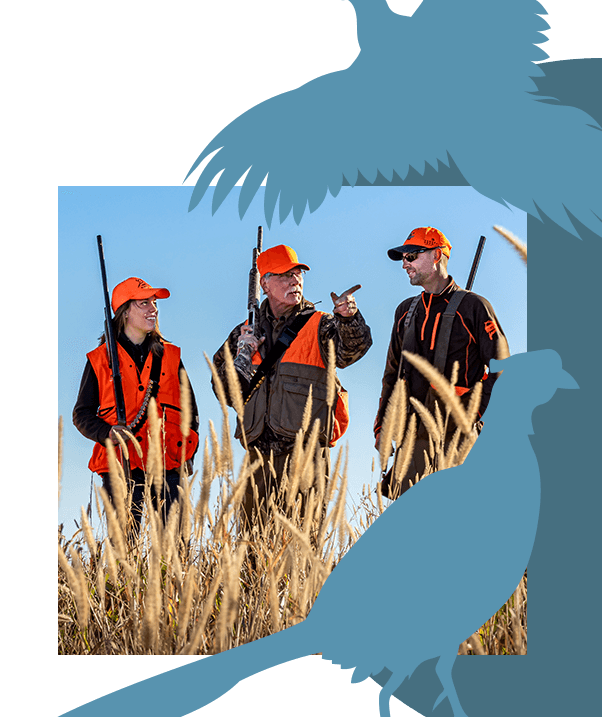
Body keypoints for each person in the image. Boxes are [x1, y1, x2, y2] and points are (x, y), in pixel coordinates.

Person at [212, 244, 372, 533]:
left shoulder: (321, 324)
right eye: (285, 275)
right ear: (265, 282)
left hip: (305, 457)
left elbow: (353, 350)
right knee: (252, 550)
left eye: (298, 274)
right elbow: (225, 392)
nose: (295, 280)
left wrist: (348, 317)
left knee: (300, 550)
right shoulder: (243, 332)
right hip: (258, 458)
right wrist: (242, 357)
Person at [374, 227, 509, 498]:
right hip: (411, 442)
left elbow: (502, 368)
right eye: (403, 258)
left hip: (458, 441)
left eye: (412, 256)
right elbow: (392, 374)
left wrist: (472, 413)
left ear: (436, 255)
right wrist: (382, 427)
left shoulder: (474, 307)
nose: (405, 264)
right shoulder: (404, 312)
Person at [73, 277, 199, 530]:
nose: (153, 309)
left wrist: (188, 452)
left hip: (168, 464)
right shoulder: (101, 360)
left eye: (154, 303)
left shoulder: (171, 356)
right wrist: (107, 433)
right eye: (144, 303)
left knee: (176, 548)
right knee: (124, 549)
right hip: (121, 464)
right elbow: (82, 414)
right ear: (125, 312)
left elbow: (190, 411)